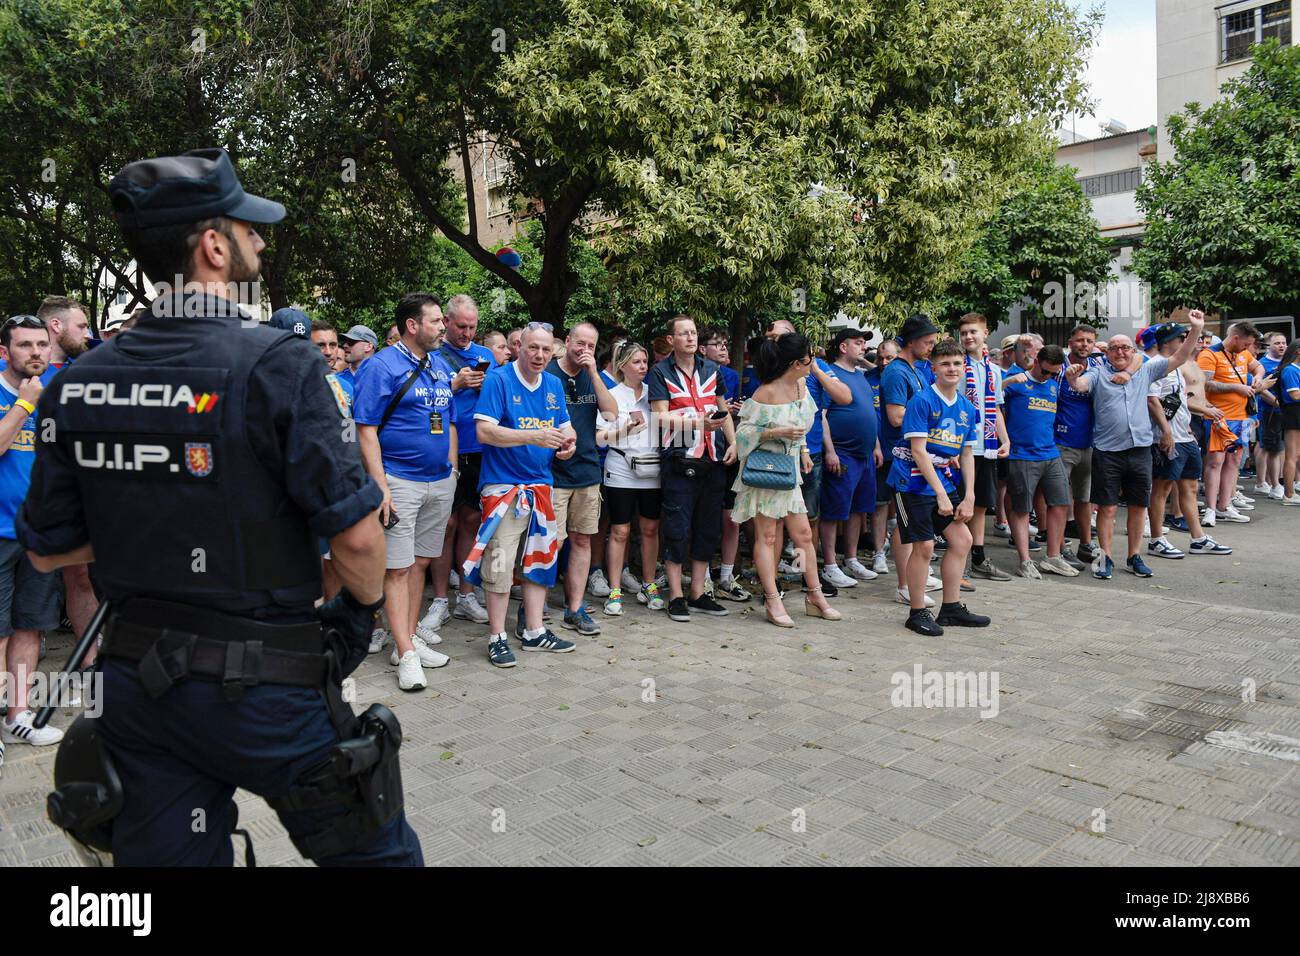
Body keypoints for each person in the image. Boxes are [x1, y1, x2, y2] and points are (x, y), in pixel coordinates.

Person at [19, 148, 420, 865]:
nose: (260, 240)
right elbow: (359, 540)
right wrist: (357, 616)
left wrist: (157, 527)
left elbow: (49, 548)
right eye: (249, 227)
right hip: (269, 689)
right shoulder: (278, 362)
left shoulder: (74, 383)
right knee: (377, 854)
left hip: (137, 692)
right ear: (212, 245)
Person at [354, 293, 456, 690]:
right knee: (396, 569)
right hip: (399, 480)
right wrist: (380, 486)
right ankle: (408, 656)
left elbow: (446, 421)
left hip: (438, 481)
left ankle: (405, 641)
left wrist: (451, 472)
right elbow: (365, 429)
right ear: (412, 326)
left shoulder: (438, 364)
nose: (442, 327)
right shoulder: (382, 366)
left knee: (419, 565)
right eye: (435, 321)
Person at [466, 322, 579, 667]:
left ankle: (534, 630)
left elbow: (564, 426)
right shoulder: (499, 379)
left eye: (546, 350)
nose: (540, 355)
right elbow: (484, 432)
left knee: (540, 561)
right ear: (519, 347)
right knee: (500, 562)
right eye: (533, 348)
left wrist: (569, 442)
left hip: (542, 485)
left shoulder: (555, 385)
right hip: (504, 487)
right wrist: (532, 437)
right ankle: (497, 636)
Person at [1064, 311, 1205, 579]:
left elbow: (1180, 357)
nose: (1119, 352)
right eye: (1114, 348)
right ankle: (1104, 557)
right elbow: (1081, 385)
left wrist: (1196, 328)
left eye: (1125, 348)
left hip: (1140, 449)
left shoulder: (1147, 369)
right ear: (1107, 353)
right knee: (1107, 507)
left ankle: (1134, 556)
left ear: (1133, 350)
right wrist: (1072, 378)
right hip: (1107, 451)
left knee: (1139, 506)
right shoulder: (1096, 374)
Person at [733, 333, 840, 627]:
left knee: (804, 536)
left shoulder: (803, 387)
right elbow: (741, 437)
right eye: (809, 359)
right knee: (767, 536)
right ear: (796, 363)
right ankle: (771, 598)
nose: (812, 364)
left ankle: (814, 594)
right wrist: (772, 433)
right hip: (766, 473)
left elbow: (802, 426)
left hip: (791, 472)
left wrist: (804, 449)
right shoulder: (764, 393)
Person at [887, 339, 989, 636]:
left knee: (962, 540)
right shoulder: (921, 400)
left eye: (957, 363)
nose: (952, 369)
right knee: (925, 546)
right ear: (934, 369)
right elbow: (918, 451)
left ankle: (951, 608)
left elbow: (967, 453)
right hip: (911, 483)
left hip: (941, 479)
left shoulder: (968, 408)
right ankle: (917, 612)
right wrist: (943, 495)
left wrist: (969, 495)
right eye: (945, 364)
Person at [0, 316, 63, 748]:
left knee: (30, 628)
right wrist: (23, 406)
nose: (36, 352)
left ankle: (17, 715)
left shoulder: (55, 392)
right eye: (25, 345)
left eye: (41, 343)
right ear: (5, 351)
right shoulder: (14, 394)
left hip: (38, 533)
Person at [648, 315, 736, 623]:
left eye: (694, 332)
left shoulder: (712, 370)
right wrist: (697, 422)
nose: (690, 338)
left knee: (708, 528)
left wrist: (733, 443)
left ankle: (698, 593)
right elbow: (659, 417)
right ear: (671, 340)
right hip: (679, 459)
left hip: (712, 459)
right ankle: (675, 595)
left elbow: (723, 410)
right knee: (677, 528)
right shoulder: (660, 371)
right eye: (683, 333)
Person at [425, 294, 494, 630]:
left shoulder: (486, 356)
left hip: (481, 450)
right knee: (444, 525)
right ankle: (440, 599)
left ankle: (466, 595)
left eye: (473, 327)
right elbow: (425, 401)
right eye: (461, 326)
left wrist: (484, 386)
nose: (467, 333)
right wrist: (456, 383)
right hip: (445, 450)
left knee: (472, 522)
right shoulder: (433, 355)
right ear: (447, 323)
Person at [546, 323, 618, 636]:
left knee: (582, 539)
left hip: (587, 470)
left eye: (590, 345)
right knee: (550, 543)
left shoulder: (594, 377)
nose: (583, 350)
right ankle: (530, 609)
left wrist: (593, 374)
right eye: (579, 343)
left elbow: (612, 413)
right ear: (568, 341)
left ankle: (574, 609)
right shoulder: (548, 374)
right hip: (551, 472)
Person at [1146, 323, 1233, 557]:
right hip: (1166, 438)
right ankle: (1156, 539)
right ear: (1168, 341)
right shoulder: (1156, 365)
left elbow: (1180, 401)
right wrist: (1166, 432)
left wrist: (1187, 429)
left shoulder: (1177, 366)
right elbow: (1152, 401)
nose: (1187, 341)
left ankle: (1198, 538)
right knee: (1161, 489)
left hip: (1185, 436)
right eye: (1182, 337)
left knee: (1190, 487)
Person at [881, 315, 943, 608]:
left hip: (918, 457)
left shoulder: (916, 369)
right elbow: (895, 416)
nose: (932, 347)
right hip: (902, 460)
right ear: (912, 340)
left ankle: (916, 572)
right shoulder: (896, 373)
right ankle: (904, 585)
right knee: (906, 524)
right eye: (928, 342)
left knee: (918, 522)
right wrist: (932, 418)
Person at [598, 341, 664, 614]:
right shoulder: (612, 395)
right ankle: (614, 589)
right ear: (622, 365)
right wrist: (625, 430)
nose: (643, 367)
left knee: (650, 529)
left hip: (652, 469)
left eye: (645, 362)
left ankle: (649, 585)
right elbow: (600, 439)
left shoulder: (655, 394)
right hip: (621, 467)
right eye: (637, 362)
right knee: (620, 530)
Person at [1001, 345, 1077, 578]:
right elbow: (989, 398)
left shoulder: (1054, 386)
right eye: (1045, 371)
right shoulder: (1016, 382)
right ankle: (1025, 560)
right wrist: (1008, 382)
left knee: (1061, 503)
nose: (1049, 377)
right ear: (1036, 360)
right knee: (1022, 508)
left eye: (1055, 373)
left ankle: (1053, 557)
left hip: (1050, 453)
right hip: (1022, 454)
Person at [819, 327, 881, 588]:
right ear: (843, 347)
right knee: (834, 511)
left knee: (859, 510)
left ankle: (852, 559)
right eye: (857, 343)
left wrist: (876, 445)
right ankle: (830, 564)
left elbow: (869, 413)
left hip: (865, 455)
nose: (863, 347)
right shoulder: (831, 375)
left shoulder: (862, 376)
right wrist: (830, 450)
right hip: (842, 453)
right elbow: (821, 415)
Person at [1198, 321, 1273, 526]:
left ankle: (1225, 505)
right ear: (1235, 338)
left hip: (1241, 418)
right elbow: (1205, 383)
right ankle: (1211, 509)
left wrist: (1257, 377)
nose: (1247, 349)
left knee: (1234, 462)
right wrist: (1237, 388)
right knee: (1215, 462)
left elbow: (1258, 366)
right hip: (1218, 417)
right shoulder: (1209, 354)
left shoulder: (1244, 353)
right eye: (1246, 344)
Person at [957, 314, 1011, 582]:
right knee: (962, 505)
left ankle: (978, 557)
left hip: (986, 446)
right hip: (962, 448)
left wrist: (1005, 439)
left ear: (985, 333)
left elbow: (997, 408)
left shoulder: (993, 370)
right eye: (964, 332)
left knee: (979, 504)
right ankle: (960, 562)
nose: (968, 337)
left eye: (973, 332)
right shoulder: (957, 366)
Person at [701, 327, 750, 600]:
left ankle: (727, 576)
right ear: (702, 349)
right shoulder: (697, 374)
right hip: (705, 450)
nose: (722, 349)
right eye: (716, 344)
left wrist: (735, 411)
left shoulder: (731, 375)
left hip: (731, 449)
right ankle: (704, 576)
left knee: (732, 517)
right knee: (706, 517)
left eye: (725, 344)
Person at [1053, 324, 1104, 568]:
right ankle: (1062, 547)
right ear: (1070, 342)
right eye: (1080, 340)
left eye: (1089, 341)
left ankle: (1086, 545)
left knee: (1084, 499)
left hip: (1089, 443)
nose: (1085, 344)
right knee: (1061, 499)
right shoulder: (1058, 366)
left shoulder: (1097, 367)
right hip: (1062, 443)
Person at [865, 338, 898, 575]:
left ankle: (908, 551)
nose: (884, 362)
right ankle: (878, 552)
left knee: (905, 504)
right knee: (879, 505)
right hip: (879, 452)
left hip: (905, 451)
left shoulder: (905, 376)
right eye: (880, 357)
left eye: (890, 357)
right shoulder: (868, 379)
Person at [1254, 331, 1287, 498]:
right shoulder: (1262, 364)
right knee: (1268, 446)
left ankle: (1276, 480)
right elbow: (1261, 389)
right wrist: (1276, 401)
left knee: (1281, 447)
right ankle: (1264, 482)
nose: (1281, 346)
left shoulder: (1287, 362)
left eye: (1283, 342)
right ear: (1269, 346)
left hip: (1285, 411)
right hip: (1269, 411)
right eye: (1277, 343)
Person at [36, 295, 91, 372]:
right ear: (56, 325)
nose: (89, 336)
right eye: (81, 327)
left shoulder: (88, 370)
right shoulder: (23, 375)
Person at [1275, 339, 1300, 505]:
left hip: (1296, 413)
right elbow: (1295, 395)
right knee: (1292, 456)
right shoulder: (1290, 370)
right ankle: (1289, 495)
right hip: (1293, 413)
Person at [338, 324, 378, 392]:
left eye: (351, 342)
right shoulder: (336, 380)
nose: (345, 345)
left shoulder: (383, 379)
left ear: (368, 346)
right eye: (345, 342)